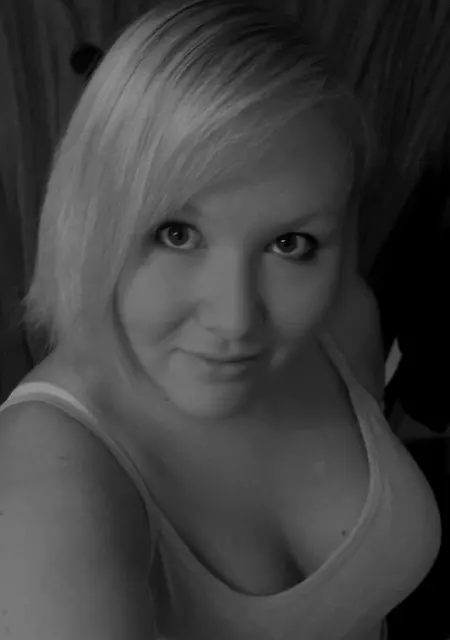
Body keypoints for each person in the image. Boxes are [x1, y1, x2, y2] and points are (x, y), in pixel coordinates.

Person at [0, 1, 441, 638]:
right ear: (91, 216)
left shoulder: (343, 317)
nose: (235, 321)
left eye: (289, 244)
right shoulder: (50, 484)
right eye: (176, 234)